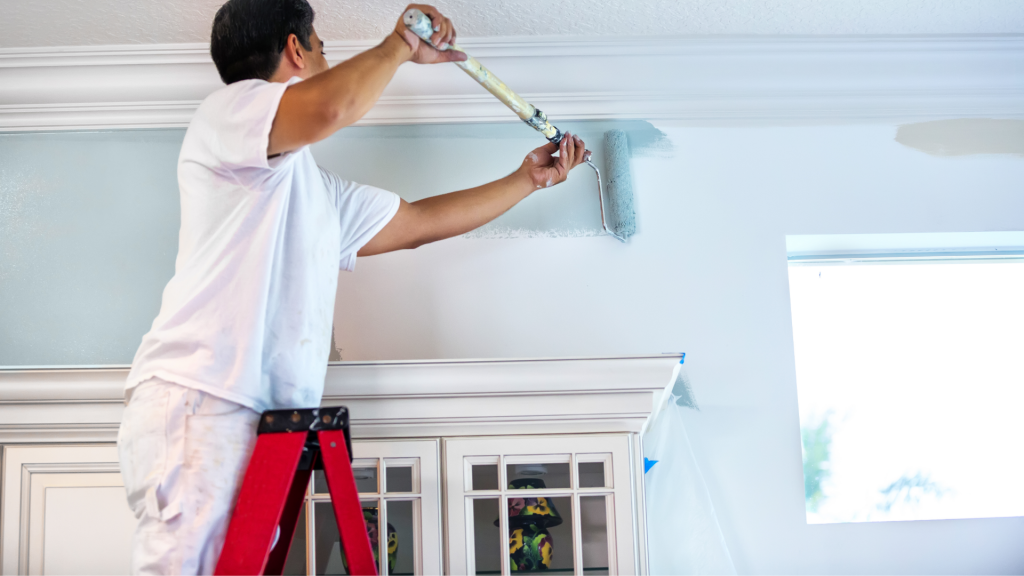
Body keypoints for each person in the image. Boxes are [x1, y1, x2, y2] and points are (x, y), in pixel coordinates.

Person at [116, 1, 588, 573]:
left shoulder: (312, 191)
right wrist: (400, 46)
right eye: (320, 47)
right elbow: (333, 105)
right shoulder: (228, 112)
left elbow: (415, 224)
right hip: (204, 395)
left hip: (262, 419)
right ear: (296, 50)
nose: (323, 57)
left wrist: (527, 180)